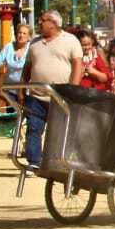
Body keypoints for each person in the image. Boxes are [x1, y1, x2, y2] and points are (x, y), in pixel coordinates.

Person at [20, 10, 84, 166]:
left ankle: (57, 162)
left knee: (60, 132)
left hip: (60, 96)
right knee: (33, 128)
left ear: (54, 23)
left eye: (43, 20)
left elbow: (78, 65)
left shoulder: (70, 40)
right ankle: (34, 162)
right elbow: (27, 68)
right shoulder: (34, 43)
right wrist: (21, 90)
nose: (39, 22)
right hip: (36, 96)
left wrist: (73, 90)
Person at [0, 22, 33, 108]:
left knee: (26, 113)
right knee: (12, 112)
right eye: (19, 33)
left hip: (26, 89)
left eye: (24, 33)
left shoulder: (31, 48)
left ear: (29, 37)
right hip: (10, 89)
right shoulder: (8, 47)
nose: (21, 35)